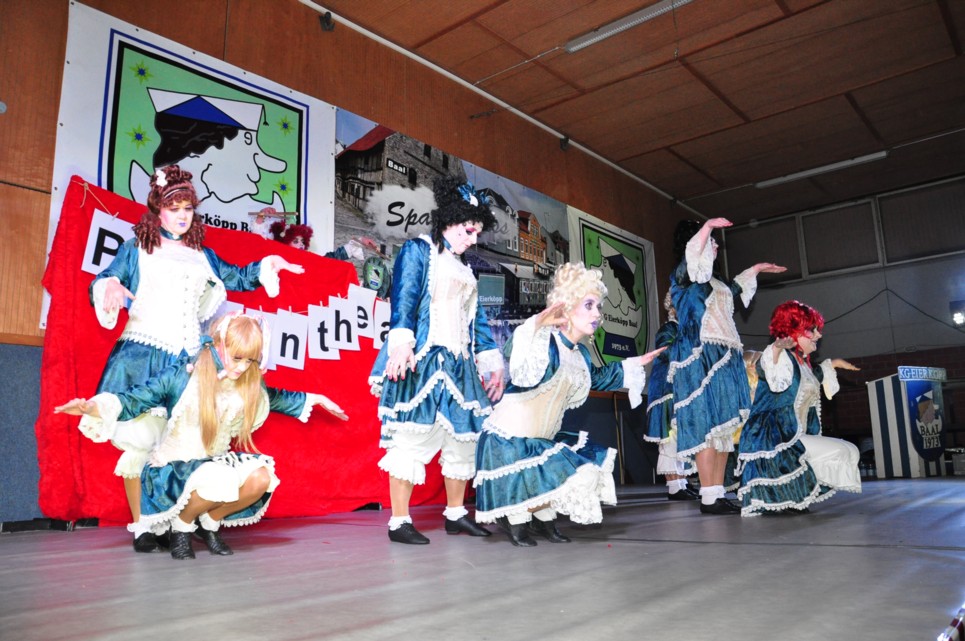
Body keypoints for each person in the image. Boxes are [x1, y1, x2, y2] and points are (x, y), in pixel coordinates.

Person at [86, 165, 304, 552]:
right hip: (143, 353)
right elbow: (108, 277)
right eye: (174, 208)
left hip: (190, 358)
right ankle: (143, 525)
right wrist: (111, 285)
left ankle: (181, 518)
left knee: (184, 444)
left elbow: (238, 277)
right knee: (141, 442)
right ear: (158, 209)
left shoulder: (203, 255)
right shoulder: (136, 248)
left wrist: (266, 266)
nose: (182, 215)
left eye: (188, 208)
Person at [56, 313, 348, 559]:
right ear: (219, 343)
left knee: (261, 478)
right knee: (217, 478)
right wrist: (93, 407)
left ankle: (209, 522)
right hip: (173, 474)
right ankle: (182, 526)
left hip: (212, 466)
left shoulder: (245, 384)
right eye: (237, 358)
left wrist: (317, 398)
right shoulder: (185, 374)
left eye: (250, 361)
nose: (242, 367)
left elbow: (278, 397)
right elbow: (136, 398)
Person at [473, 263, 665, 546]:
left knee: (584, 470)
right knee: (570, 472)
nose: (597, 314)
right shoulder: (543, 342)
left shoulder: (580, 355)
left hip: (540, 440)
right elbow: (517, 355)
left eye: (598, 307)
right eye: (589, 305)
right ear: (567, 308)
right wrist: (537, 324)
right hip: (508, 442)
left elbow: (598, 378)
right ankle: (516, 518)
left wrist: (634, 364)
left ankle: (543, 519)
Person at [368, 176, 504, 545]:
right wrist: (401, 343)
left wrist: (492, 361)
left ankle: (456, 515)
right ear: (449, 219)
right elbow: (405, 297)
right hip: (424, 358)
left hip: (460, 364)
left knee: (461, 439)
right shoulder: (419, 249)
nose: (472, 239)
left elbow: (476, 321)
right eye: (469, 230)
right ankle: (399, 521)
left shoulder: (465, 269)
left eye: (477, 233)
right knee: (411, 436)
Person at [668, 218, 786, 515]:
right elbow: (693, 257)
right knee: (707, 427)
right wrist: (707, 226)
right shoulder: (685, 275)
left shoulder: (715, 281)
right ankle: (708, 495)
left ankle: (716, 493)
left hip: (726, 353)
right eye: (710, 240)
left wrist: (756, 269)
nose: (715, 245)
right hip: (701, 354)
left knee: (723, 429)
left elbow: (735, 287)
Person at [737, 301, 862, 515]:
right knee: (843, 451)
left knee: (850, 450)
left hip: (794, 435)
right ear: (794, 332)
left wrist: (833, 364)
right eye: (812, 330)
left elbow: (812, 378)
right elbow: (767, 368)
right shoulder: (780, 359)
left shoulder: (802, 363)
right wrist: (777, 348)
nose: (818, 335)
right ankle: (781, 498)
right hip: (773, 438)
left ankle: (795, 496)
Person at [643, 292, 697, 501]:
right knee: (669, 438)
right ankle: (674, 486)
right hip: (665, 391)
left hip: (680, 390)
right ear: (673, 310)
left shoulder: (684, 331)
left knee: (680, 437)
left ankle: (681, 482)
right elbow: (666, 352)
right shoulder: (668, 329)